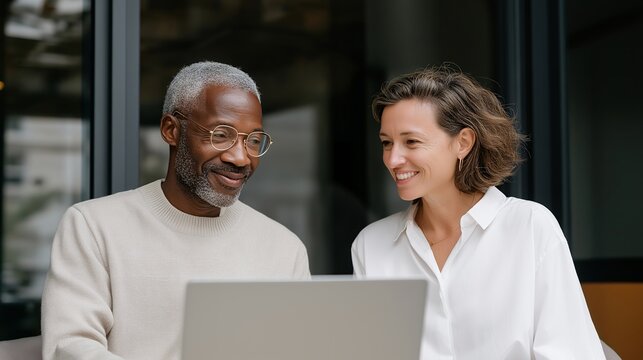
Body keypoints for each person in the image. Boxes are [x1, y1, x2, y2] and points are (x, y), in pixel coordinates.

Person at [41, 61, 310, 360]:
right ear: (171, 130)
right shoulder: (93, 227)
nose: (241, 158)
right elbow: (70, 348)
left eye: (253, 141)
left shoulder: (284, 249)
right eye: (221, 135)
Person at [351, 66, 605, 359]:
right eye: (386, 143)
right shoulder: (371, 245)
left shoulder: (530, 227)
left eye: (411, 141)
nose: (393, 159)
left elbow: (570, 352)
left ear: (463, 143)